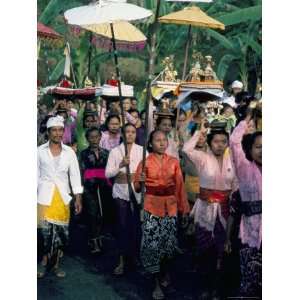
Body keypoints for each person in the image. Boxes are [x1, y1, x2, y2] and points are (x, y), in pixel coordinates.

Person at [183, 121, 238, 299]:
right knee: (205, 249)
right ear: (209, 142)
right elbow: (186, 149)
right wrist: (200, 131)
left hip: (225, 210)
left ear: (227, 143)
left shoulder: (233, 161)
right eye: (216, 141)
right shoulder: (202, 158)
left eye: (223, 141)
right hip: (205, 209)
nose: (220, 145)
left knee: (222, 250)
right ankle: (205, 286)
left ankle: (217, 288)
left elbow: (235, 186)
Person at [134, 130, 190, 300]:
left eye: (164, 140)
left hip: (171, 207)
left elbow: (180, 187)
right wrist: (140, 180)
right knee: (153, 246)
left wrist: (184, 209)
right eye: (157, 140)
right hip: (151, 206)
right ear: (150, 143)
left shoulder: (174, 162)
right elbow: (137, 187)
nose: (161, 143)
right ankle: (156, 283)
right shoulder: (145, 161)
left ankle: (165, 272)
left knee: (168, 245)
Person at [37, 116, 83, 278]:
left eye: (60, 130)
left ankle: (55, 265)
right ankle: (43, 262)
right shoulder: (39, 151)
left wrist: (78, 198)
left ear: (64, 132)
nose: (57, 133)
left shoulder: (69, 152)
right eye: (54, 130)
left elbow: (75, 176)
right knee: (44, 234)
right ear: (48, 132)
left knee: (60, 234)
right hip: (43, 197)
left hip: (63, 198)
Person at [225, 113, 262, 298]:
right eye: (258, 147)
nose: (263, 151)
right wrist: (246, 118)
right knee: (250, 284)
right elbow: (233, 141)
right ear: (251, 149)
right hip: (250, 234)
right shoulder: (244, 168)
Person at [105, 123, 143, 276]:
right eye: (127, 132)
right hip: (120, 190)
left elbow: (147, 170)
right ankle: (121, 259)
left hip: (137, 190)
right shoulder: (115, 151)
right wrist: (120, 164)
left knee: (136, 225)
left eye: (133, 132)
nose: (130, 134)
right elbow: (108, 174)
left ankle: (135, 256)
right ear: (122, 133)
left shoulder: (142, 150)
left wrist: (142, 177)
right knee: (122, 225)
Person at [80, 127, 113, 254]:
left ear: (100, 137)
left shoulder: (107, 152)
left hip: (104, 185)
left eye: (96, 137)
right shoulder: (83, 153)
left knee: (103, 212)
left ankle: (101, 237)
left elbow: (110, 169)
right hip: (90, 186)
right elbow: (83, 170)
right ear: (87, 139)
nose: (94, 139)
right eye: (91, 137)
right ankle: (94, 241)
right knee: (92, 213)